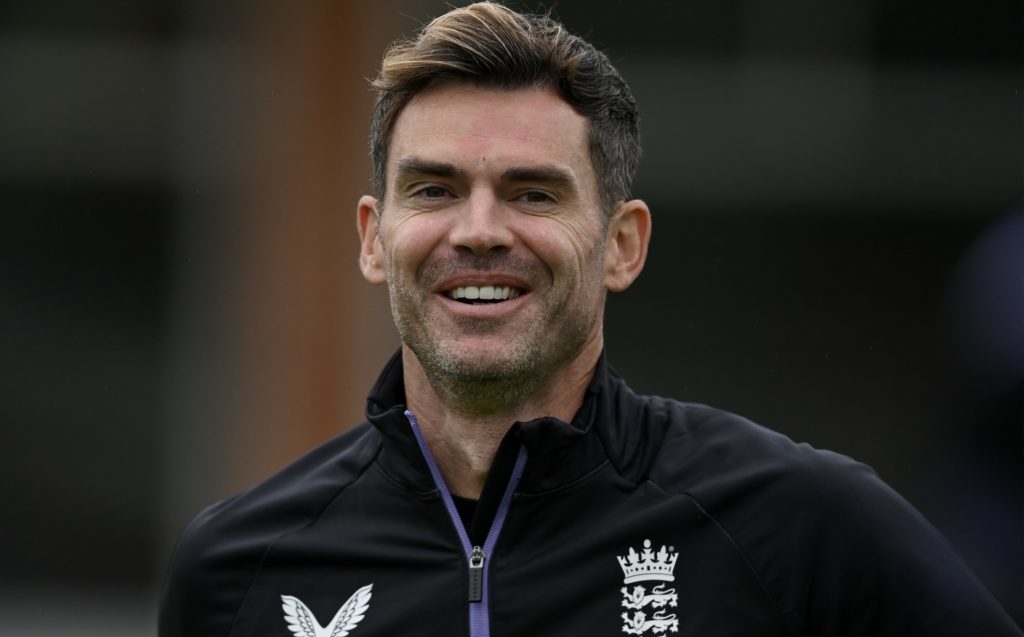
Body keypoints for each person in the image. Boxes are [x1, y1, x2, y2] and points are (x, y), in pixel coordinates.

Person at [158, 3, 1022, 636]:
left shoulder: (800, 524)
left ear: (621, 244)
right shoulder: (239, 569)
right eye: (435, 189)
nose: (480, 230)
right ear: (374, 237)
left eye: (533, 192)